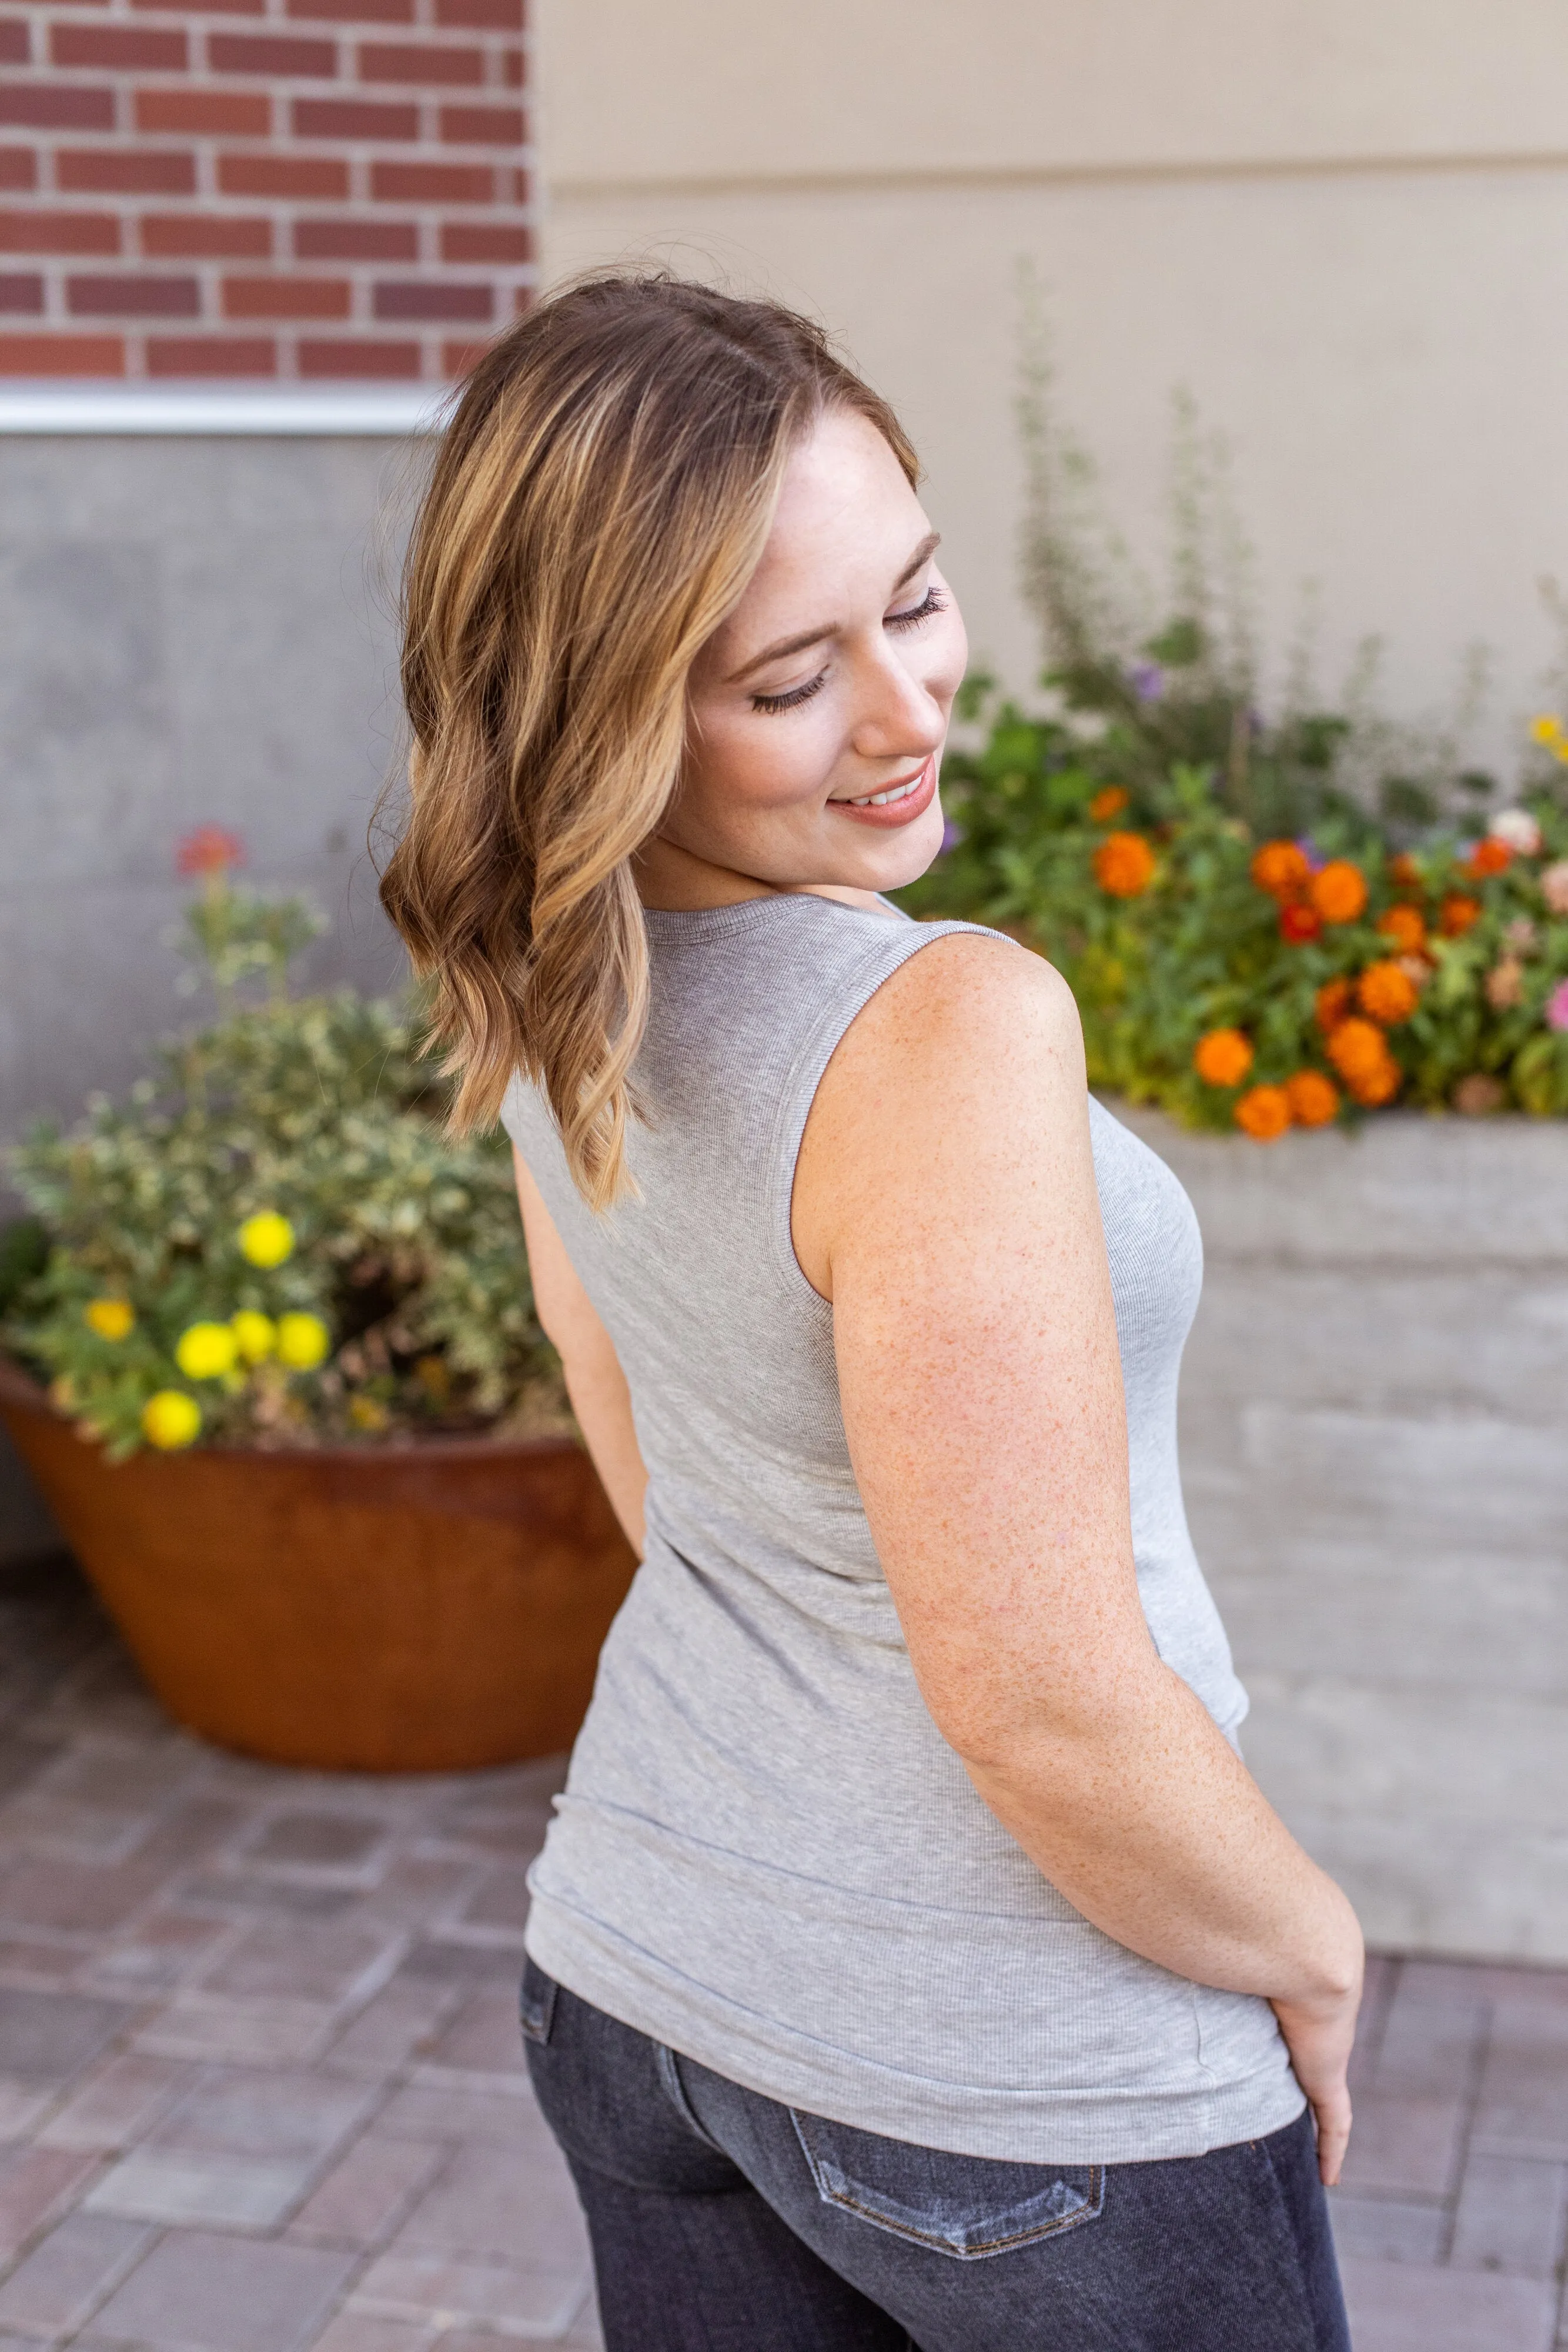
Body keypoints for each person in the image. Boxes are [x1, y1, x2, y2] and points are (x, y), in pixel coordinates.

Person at [380, 273, 1363, 2352]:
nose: (908, 715)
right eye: (788, 677)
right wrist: (1308, 1937)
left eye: (912, 603)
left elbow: (625, 1402)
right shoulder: (942, 1025)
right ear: (617, 714)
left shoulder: (564, 965)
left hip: (644, 1975)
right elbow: (1037, 1697)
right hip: (1023, 2077)